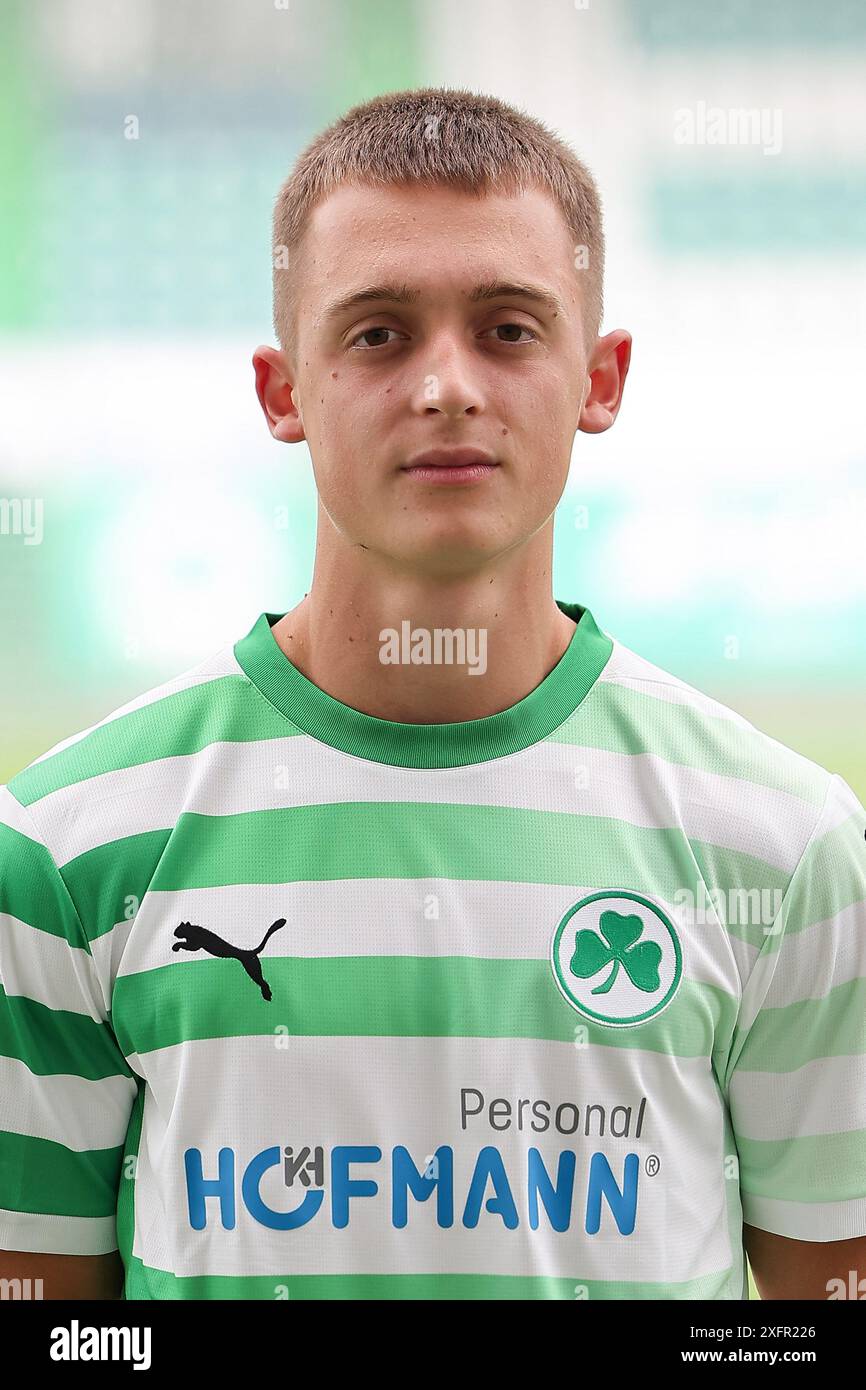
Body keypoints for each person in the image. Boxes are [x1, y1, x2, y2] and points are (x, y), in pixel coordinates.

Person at [1, 88, 864, 1301]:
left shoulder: (785, 847)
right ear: (281, 391)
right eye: (377, 334)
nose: (446, 386)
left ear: (599, 378)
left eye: (509, 328)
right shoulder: (62, 849)